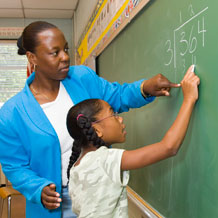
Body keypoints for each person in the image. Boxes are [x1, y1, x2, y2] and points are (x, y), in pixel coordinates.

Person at [0, 21, 180, 218]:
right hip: (54, 204)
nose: (65, 57)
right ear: (32, 57)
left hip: (99, 192)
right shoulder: (12, 113)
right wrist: (37, 188)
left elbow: (116, 96)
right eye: (55, 52)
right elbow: (14, 166)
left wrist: (144, 87)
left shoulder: (81, 78)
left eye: (66, 49)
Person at [66, 65, 200, 217]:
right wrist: (189, 99)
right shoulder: (103, 160)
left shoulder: (77, 167)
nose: (120, 118)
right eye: (113, 114)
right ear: (97, 130)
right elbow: (169, 147)